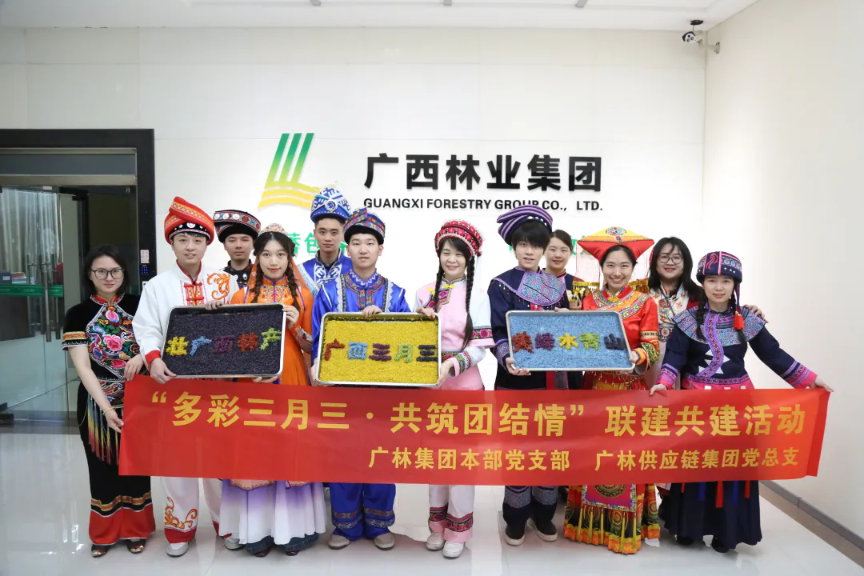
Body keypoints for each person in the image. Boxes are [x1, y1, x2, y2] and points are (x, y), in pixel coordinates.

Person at [651, 251, 832, 553]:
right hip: (696, 408)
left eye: (726, 281)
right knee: (696, 465)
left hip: (738, 410)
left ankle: (727, 531)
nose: (718, 287)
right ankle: (689, 528)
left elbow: (774, 355)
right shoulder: (686, 320)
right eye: (712, 280)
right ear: (703, 282)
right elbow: (675, 357)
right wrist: (665, 383)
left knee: (732, 468)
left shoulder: (747, 320)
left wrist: (810, 380)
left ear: (735, 284)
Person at [132, 196, 240, 557]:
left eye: (197, 239)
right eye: (182, 239)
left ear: (207, 244)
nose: (190, 246)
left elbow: (242, 326)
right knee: (176, 458)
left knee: (219, 457)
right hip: (175, 386)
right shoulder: (157, 286)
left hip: (218, 386)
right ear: (172, 243)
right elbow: (147, 327)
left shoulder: (224, 283)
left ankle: (227, 523)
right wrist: (152, 358)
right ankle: (180, 528)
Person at [215, 224, 326, 557]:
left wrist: (296, 325)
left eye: (280, 254)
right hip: (251, 385)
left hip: (292, 380)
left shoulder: (304, 297)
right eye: (266, 254)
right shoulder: (241, 297)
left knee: (290, 450)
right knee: (256, 453)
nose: (273, 261)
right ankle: (257, 531)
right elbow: (231, 348)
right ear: (257, 257)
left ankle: (293, 531)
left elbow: (314, 348)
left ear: (290, 258)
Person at [310, 208, 411, 551]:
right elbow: (319, 340)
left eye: (370, 243)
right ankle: (346, 525)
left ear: (381, 249)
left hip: (383, 393)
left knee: (382, 455)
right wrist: (318, 370)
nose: (363, 249)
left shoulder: (396, 294)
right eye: (356, 243)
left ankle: (380, 523)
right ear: (347, 247)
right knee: (343, 455)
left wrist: (386, 324)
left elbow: (407, 345)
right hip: (342, 391)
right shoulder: (327, 292)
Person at [563, 226, 661, 555]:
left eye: (624, 266)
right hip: (594, 388)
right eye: (610, 265)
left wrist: (636, 357)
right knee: (593, 456)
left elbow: (652, 346)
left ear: (633, 269)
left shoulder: (645, 303)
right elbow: (580, 343)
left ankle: (623, 529)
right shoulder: (590, 300)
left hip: (628, 391)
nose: (617, 272)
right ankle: (589, 526)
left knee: (625, 460)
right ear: (601, 268)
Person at [62, 245, 155, 557]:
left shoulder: (140, 305)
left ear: (124, 273)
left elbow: (158, 340)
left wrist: (143, 355)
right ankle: (104, 533)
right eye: (100, 271)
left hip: (140, 400)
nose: (109, 277)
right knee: (101, 467)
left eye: (115, 270)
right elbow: (83, 367)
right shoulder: (77, 314)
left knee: (136, 466)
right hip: (96, 403)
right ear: (90, 275)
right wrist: (105, 407)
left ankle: (137, 529)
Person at [488, 205, 568, 546]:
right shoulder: (501, 284)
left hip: (552, 381)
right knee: (518, 450)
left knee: (549, 448)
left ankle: (544, 513)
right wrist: (507, 358)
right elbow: (497, 331)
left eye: (536, 244)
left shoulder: (557, 286)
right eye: (523, 243)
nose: (529, 251)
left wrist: (566, 321)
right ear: (513, 246)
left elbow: (567, 334)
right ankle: (516, 517)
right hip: (514, 378)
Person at [415, 220, 493, 559]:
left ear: (469, 258)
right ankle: (436, 527)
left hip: (465, 387)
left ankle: (458, 530)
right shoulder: (423, 293)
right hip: (432, 389)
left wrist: (452, 365)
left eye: (459, 254)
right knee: (434, 459)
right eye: (446, 252)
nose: (451, 259)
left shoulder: (479, 296)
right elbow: (413, 341)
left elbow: (481, 348)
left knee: (461, 462)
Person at [301, 187, 353, 295]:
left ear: (343, 234)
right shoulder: (301, 272)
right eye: (322, 232)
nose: (328, 238)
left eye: (334, 233)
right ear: (314, 233)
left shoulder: (355, 269)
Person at [213, 209, 261, 287]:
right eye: (232, 240)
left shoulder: (263, 276)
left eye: (244, 240)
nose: (238, 245)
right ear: (224, 245)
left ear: (253, 244)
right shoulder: (216, 279)